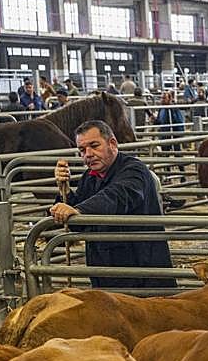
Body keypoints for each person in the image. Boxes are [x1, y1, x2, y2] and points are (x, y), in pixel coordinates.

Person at [49, 120, 175, 290]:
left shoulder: (134, 170)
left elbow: (116, 196)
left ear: (112, 143)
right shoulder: (90, 177)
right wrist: (65, 193)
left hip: (140, 268)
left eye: (94, 146)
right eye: (82, 150)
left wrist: (78, 209)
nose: (88, 154)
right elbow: (79, 223)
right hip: (104, 268)